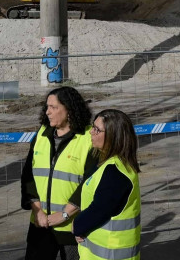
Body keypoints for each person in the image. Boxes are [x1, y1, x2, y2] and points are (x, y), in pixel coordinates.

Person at [21, 86, 97, 260]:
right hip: (40, 224)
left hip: (72, 228)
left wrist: (65, 214)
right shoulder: (41, 134)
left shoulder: (87, 139)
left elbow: (90, 182)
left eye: (53, 107)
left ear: (69, 110)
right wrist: (38, 210)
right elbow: (28, 177)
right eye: (47, 107)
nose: (47, 112)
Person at [74, 109, 141, 260]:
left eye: (97, 130)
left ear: (113, 136)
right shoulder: (110, 164)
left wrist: (78, 226)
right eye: (93, 126)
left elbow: (99, 210)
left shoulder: (115, 173)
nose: (91, 132)